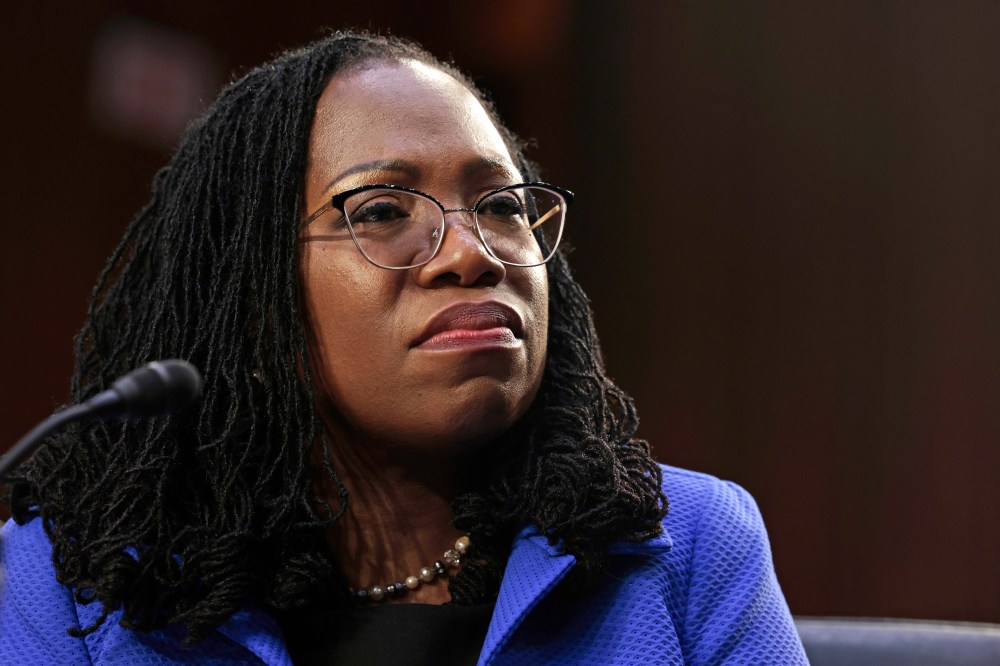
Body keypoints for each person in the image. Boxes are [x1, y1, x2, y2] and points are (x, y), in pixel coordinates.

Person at [0, 31, 808, 665]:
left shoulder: (690, 546)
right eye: (384, 210)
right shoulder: (69, 582)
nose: (475, 253)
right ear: (254, 296)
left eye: (501, 204)